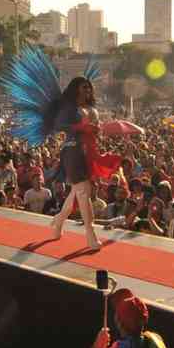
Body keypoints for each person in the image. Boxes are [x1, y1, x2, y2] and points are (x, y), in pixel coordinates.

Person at [45, 77, 121, 250]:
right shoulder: (70, 108)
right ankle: (90, 234)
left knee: (77, 193)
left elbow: (94, 126)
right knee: (83, 191)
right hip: (73, 151)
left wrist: (96, 128)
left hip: (90, 151)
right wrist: (80, 128)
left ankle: (58, 221)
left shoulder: (91, 108)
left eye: (89, 87)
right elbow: (58, 124)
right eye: (83, 87)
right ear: (76, 89)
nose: (87, 90)